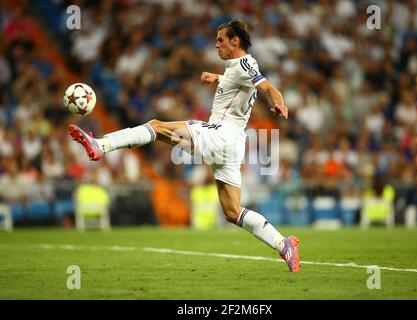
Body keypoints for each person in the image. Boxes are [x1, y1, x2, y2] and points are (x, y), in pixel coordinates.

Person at [68, 19, 300, 272]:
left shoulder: (246, 63)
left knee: (157, 127)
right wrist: (218, 77)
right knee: (233, 212)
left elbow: (267, 86)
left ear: (236, 41)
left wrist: (280, 103)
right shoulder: (236, 67)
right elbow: (241, 80)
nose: (216, 44)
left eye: (220, 39)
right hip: (233, 144)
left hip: (221, 134)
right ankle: (283, 244)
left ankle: (101, 145)